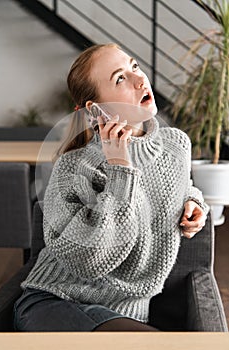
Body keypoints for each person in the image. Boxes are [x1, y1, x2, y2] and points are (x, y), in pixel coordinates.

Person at [14, 43, 208, 332]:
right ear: (96, 110)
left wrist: (194, 203)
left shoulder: (175, 146)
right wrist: (120, 167)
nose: (140, 80)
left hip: (125, 315)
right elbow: (91, 262)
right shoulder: (73, 167)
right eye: (120, 78)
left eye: (134, 67)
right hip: (57, 303)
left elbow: (174, 185)